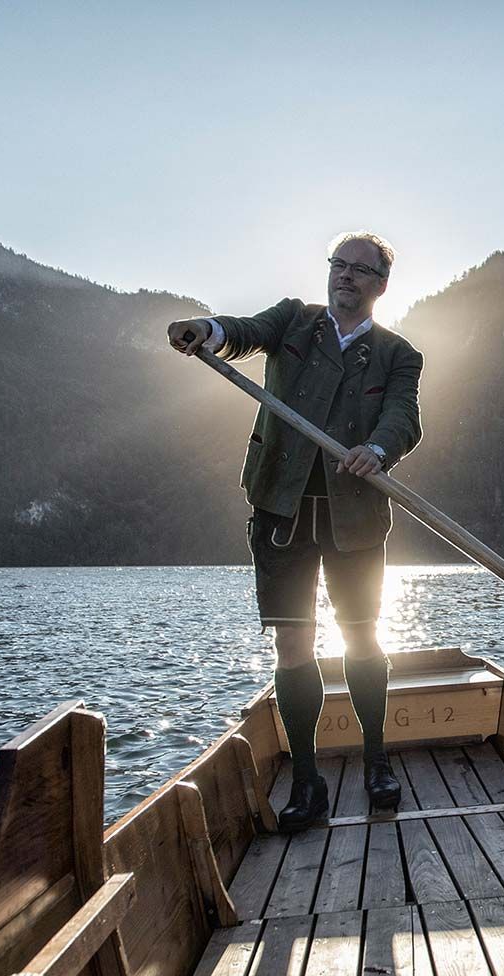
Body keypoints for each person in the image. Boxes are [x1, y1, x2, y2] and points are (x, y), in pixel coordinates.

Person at [167, 233, 423, 830]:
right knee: (293, 645)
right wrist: (204, 331)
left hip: (353, 517)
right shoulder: (294, 322)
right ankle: (306, 782)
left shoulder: (397, 353)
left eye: (362, 270)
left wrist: (379, 448)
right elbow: (241, 333)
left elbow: (403, 416)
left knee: (362, 639)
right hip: (282, 514)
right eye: (340, 265)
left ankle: (377, 761)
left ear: (381, 285)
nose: (347, 277)